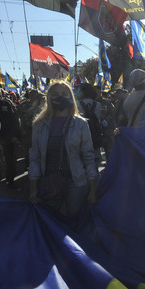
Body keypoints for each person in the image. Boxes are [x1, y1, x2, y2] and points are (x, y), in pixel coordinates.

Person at [29, 82, 99, 224]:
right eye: (55, 94)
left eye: (64, 94)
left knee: (74, 222)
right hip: (49, 182)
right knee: (50, 222)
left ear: (71, 97)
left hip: (76, 183)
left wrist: (93, 189)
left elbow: (89, 157)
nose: (60, 98)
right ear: (48, 98)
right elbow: (35, 158)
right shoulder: (39, 124)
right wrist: (33, 189)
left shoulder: (81, 124)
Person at [0, 84, 21, 190]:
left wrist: (15, 136)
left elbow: (14, 119)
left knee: (11, 162)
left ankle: (11, 181)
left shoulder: (6, 103)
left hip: (8, 137)